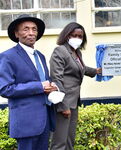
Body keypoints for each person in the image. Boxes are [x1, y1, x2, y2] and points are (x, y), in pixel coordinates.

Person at [0, 14, 57, 150]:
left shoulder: (41, 56)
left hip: (45, 120)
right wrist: (39, 86)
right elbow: (5, 89)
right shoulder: (8, 56)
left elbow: (43, 81)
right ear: (16, 33)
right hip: (26, 123)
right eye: (26, 29)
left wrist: (51, 85)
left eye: (34, 29)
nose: (31, 33)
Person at [49, 22, 101, 150]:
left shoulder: (76, 52)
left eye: (80, 36)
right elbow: (57, 79)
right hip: (63, 103)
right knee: (59, 142)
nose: (77, 38)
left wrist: (96, 71)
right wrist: (63, 106)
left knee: (69, 141)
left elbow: (80, 69)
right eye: (74, 35)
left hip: (73, 102)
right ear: (67, 36)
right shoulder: (60, 51)